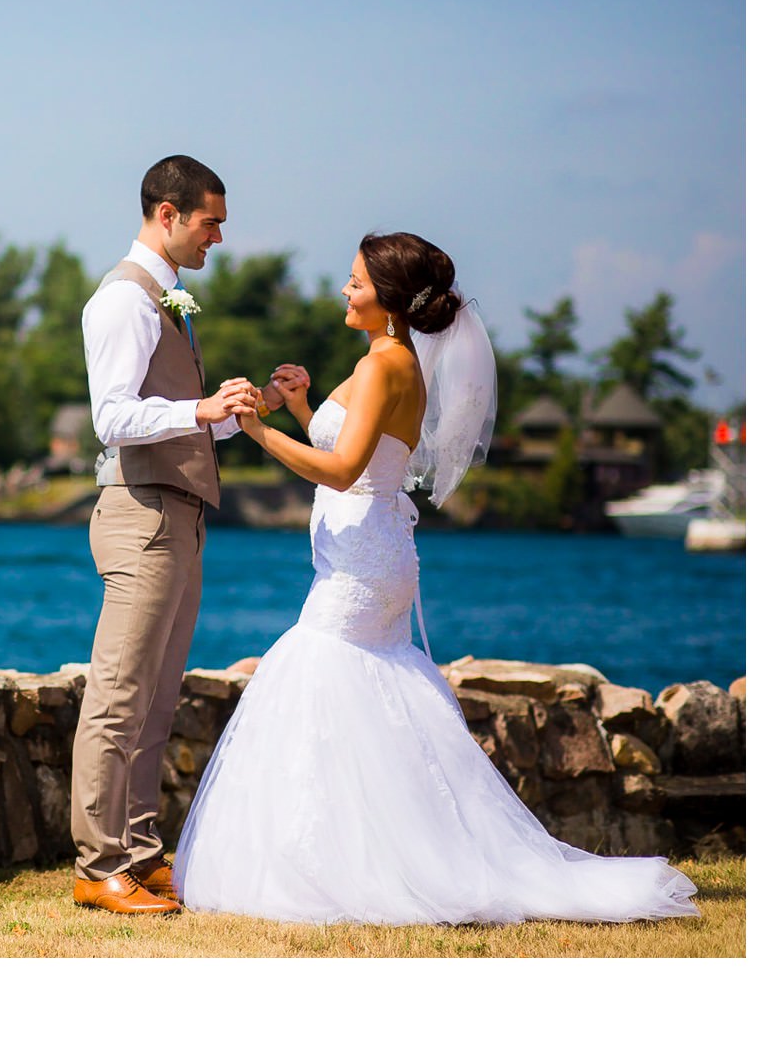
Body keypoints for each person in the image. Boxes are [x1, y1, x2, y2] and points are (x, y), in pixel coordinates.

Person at [172, 231, 699, 924]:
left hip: (363, 562)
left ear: (388, 301)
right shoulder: (383, 359)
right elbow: (354, 443)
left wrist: (261, 431)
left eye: (355, 282)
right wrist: (299, 407)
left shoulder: (391, 365)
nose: (344, 289)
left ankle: (342, 862)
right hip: (367, 551)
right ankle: (369, 851)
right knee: (363, 691)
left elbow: (343, 469)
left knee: (319, 673)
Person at [71, 155, 302, 914]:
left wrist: (249, 404)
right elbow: (113, 419)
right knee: (118, 695)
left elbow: (180, 422)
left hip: (181, 516)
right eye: (211, 223)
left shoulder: (169, 299)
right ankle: (98, 864)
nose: (219, 239)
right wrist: (199, 409)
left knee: (158, 698)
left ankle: (138, 854)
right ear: (167, 215)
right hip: (141, 514)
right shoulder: (123, 302)